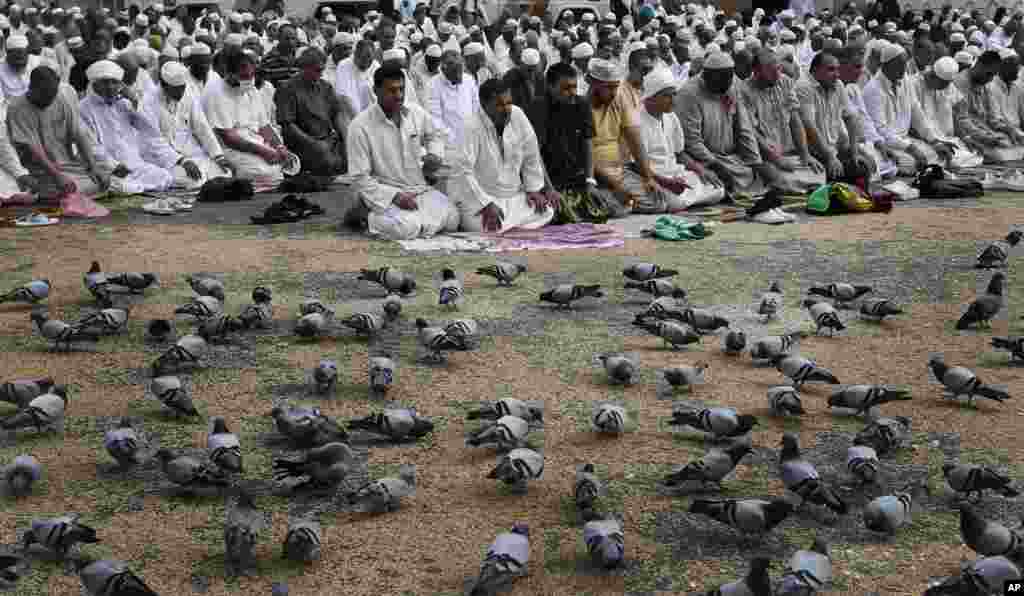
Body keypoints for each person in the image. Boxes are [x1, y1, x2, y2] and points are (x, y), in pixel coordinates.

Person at [346, 63, 459, 240]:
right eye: (391, 91)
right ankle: (364, 216)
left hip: (417, 188)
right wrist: (395, 196)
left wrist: (434, 155)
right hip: (383, 193)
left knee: (453, 218)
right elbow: (359, 178)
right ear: (376, 91)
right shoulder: (360, 126)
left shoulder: (415, 112)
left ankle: (416, 222)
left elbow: (435, 135)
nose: (398, 96)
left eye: (401, 89)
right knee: (407, 228)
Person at [448, 78, 555, 232]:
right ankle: (512, 225)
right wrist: (485, 204)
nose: (506, 109)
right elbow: (463, 172)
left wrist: (533, 189)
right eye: (499, 105)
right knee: (480, 225)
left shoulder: (517, 114)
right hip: (483, 199)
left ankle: (508, 225)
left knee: (546, 210)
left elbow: (531, 152)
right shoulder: (470, 126)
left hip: (513, 197)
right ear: (484, 105)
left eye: (508, 103)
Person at [624, 68, 726, 214]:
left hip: (675, 174)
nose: (673, 100)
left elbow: (679, 154)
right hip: (651, 177)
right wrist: (666, 182)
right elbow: (634, 166)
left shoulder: (671, 117)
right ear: (651, 97)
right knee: (675, 202)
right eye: (667, 96)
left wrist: (700, 169)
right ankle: (680, 200)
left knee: (718, 189)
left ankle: (683, 199)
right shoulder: (637, 122)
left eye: (674, 94)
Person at [8, 66, 110, 198]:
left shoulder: (62, 97)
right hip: (40, 170)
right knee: (69, 188)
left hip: (68, 164)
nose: (50, 99)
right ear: (31, 87)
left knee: (104, 175)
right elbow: (32, 148)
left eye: (52, 94)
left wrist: (92, 167)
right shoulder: (17, 108)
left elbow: (78, 133)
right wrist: (57, 176)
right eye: (44, 94)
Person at [78, 60, 179, 193]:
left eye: (114, 82)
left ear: (121, 85)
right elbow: (90, 146)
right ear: (94, 84)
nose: (110, 87)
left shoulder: (124, 104)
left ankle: (135, 187)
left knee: (164, 176)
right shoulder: (84, 108)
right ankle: (131, 187)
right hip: (107, 169)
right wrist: (114, 166)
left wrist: (135, 101)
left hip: (133, 165)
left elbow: (150, 128)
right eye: (105, 82)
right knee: (121, 187)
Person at [675, 51, 765, 196]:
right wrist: (715, 165)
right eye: (722, 80)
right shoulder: (689, 94)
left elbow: (744, 128)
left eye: (730, 79)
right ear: (707, 76)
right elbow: (691, 142)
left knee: (756, 172)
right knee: (709, 182)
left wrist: (755, 162)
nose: (728, 84)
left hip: (731, 160)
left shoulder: (730, 86)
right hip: (703, 159)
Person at [739, 49, 825, 194]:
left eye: (779, 69)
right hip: (765, 156)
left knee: (819, 172)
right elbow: (751, 133)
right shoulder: (744, 91)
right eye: (772, 71)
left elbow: (794, 119)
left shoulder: (784, 82)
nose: (777, 74)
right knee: (778, 179)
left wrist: (804, 154)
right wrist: (776, 159)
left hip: (789, 154)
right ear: (756, 71)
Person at [204, 47, 288, 185]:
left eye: (251, 75)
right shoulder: (216, 92)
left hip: (256, 143)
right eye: (244, 76)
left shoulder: (252, 90)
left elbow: (264, 126)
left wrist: (279, 147)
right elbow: (228, 138)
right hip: (231, 149)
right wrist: (263, 151)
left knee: (282, 164)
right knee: (264, 172)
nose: (249, 79)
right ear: (229, 74)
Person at [141, 61, 231, 189]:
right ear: (164, 85)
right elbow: (153, 141)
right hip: (165, 158)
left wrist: (217, 155)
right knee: (189, 180)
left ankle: (205, 179)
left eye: (182, 88)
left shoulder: (187, 93)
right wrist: (182, 160)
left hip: (191, 153)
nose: (180, 93)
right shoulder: (148, 101)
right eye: (176, 89)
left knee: (225, 172)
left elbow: (202, 126)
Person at [862, 43, 947, 175]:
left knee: (937, 153)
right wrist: (910, 148)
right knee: (908, 162)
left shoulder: (905, 80)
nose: (904, 68)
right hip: (886, 144)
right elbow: (880, 130)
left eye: (905, 63)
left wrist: (933, 140)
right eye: (900, 64)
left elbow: (916, 112)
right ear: (886, 65)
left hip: (905, 141)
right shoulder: (873, 89)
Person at [588, 58, 655, 216]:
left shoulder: (617, 99)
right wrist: (614, 185)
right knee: (618, 209)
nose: (613, 92)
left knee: (658, 201)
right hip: (596, 177)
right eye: (608, 88)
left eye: (616, 87)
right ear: (593, 84)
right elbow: (585, 158)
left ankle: (624, 200)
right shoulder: (581, 107)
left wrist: (648, 177)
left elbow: (635, 141)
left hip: (619, 172)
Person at [275, 47, 347, 176]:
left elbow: (337, 115)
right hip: (303, 144)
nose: (320, 74)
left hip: (328, 140)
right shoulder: (287, 88)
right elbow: (288, 126)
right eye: (317, 70)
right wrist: (314, 143)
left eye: (322, 70)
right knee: (328, 162)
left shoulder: (325, 87)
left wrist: (346, 138)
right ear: (305, 68)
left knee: (354, 154)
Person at [908, 56, 984, 170]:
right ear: (934, 76)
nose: (948, 86)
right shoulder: (912, 85)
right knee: (929, 157)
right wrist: (935, 143)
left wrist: (965, 137)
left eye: (948, 83)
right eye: (945, 83)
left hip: (945, 139)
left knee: (974, 154)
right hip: (922, 139)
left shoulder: (946, 85)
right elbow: (911, 123)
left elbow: (953, 114)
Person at [428, 50, 479, 163]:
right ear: (444, 69)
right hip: (450, 146)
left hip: (472, 140)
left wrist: (474, 132)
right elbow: (435, 119)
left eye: (461, 71)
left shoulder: (468, 80)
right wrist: (453, 140)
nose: (460, 77)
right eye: (456, 72)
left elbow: (476, 106)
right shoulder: (433, 85)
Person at [334, 39, 378, 117]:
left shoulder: (375, 66)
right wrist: (359, 120)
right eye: (364, 58)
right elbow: (344, 97)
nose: (368, 62)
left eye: (370, 59)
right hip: (349, 114)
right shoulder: (344, 65)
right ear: (356, 54)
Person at [258, 22, 299, 88]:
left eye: (293, 38)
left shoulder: (299, 59)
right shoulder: (268, 60)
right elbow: (264, 88)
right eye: (287, 38)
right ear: (279, 38)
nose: (290, 42)